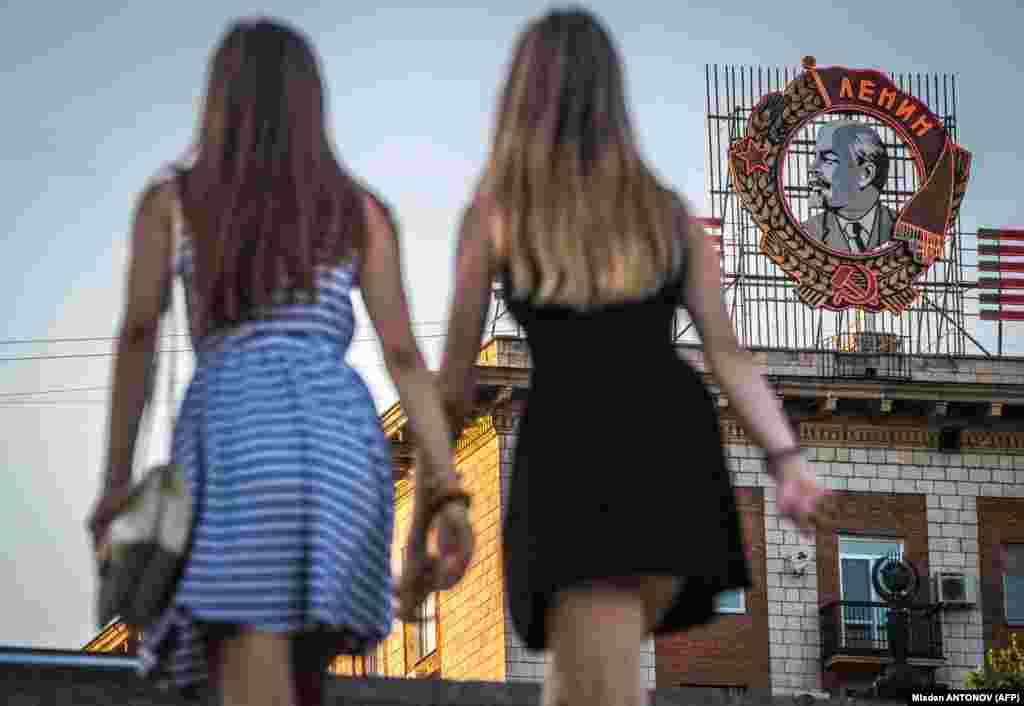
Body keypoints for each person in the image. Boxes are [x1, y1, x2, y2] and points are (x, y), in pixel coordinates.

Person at [436, 8, 827, 706]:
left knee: (598, 675)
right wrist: (786, 459)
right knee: (580, 677)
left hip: (578, 446)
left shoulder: (498, 209)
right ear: (611, 96)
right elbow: (728, 354)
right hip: (671, 441)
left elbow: (456, 375)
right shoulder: (664, 211)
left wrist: (443, 493)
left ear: (521, 94)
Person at [86, 18, 473, 706]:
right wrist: (444, 489)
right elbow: (406, 358)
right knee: (301, 676)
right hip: (342, 450)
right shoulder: (359, 211)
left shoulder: (174, 202)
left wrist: (116, 484)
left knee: (247, 673)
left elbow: (140, 336)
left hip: (239, 441)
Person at [803, 120, 897, 253]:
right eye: (816, 157)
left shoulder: (905, 231)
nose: (812, 168)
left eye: (828, 159)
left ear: (865, 174)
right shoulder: (807, 232)